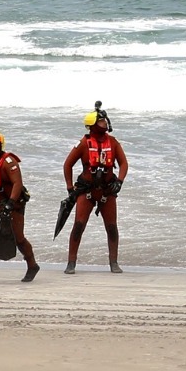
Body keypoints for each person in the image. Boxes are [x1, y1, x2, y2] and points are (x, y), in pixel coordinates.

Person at [62, 105, 129, 274]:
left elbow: (123, 164)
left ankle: (113, 262)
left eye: (104, 120)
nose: (104, 123)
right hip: (87, 191)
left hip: (107, 191)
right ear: (92, 125)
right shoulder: (84, 144)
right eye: (100, 121)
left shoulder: (113, 142)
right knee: (78, 225)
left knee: (112, 227)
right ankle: (71, 262)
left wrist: (119, 181)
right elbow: (67, 164)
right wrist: (70, 188)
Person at [0, 129, 38, 283]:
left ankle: (32, 265)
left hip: (13, 205)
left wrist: (10, 205)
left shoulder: (8, 161)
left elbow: (18, 183)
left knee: (19, 239)